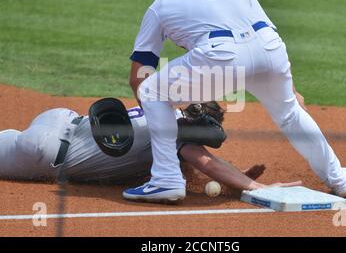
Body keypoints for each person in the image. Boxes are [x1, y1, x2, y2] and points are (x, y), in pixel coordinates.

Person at [124, 0, 346, 202]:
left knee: (151, 91)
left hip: (222, 56)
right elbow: (265, 34)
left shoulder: (162, 4)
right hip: (271, 52)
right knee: (290, 113)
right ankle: (340, 180)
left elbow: (140, 74)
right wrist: (290, 89)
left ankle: (165, 180)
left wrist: (162, 125)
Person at [0, 99, 299, 194]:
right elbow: (207, 163)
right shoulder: (180, 134)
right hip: (45, 152)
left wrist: (234, 177)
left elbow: (194, 170)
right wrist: (255, 187)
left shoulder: (161, 107)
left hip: (60, 119)